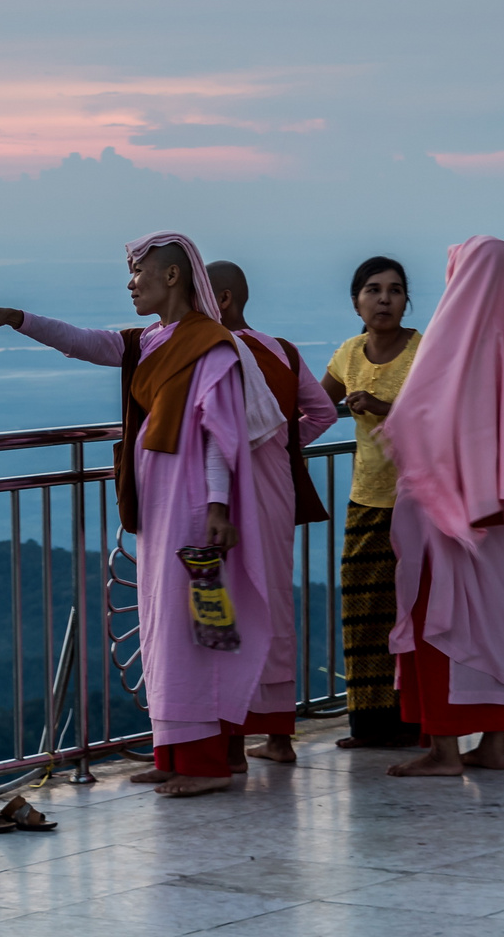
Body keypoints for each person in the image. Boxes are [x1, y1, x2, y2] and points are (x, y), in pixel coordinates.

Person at [0, 231, 285, 797]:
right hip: (159, 506)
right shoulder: (149, 343)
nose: (131, 285)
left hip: (191, 505)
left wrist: (215, 505)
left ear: (173, 278)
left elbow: (218, 437)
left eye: (139, 275)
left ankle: (206, 765)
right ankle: (172, 752)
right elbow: (84, 342)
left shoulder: (211, 346)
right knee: (161, 626)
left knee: (193, 629)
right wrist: (18, 318)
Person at [378, 236, 504, 777]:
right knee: (495, 627)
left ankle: (443, 752)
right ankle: (494, 745)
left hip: (449, 514)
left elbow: (418, 415)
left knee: (442, 621)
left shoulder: (453, 340)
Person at [207, 259, 338, 765]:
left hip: (227, 495)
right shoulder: (281, 350)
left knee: (228, 608)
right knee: (274, 603)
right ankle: (279, 738)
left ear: (222, 299)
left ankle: (234, 744)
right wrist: (282, 445)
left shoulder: (214, 351)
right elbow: (322, 411)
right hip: (277, 490)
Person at [320, 256, 424, 748]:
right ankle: (369, 724)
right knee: (363, 612)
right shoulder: (349, 354)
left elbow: (440, 416)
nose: (385, 299)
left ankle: (419, 720)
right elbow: (316, 407)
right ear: (356, 302)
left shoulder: (424, 353)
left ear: (407, 300)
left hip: (419, 502)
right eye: (373, 290)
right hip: (366, 501)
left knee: (414, 611)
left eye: (395, 290)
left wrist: (385, 408)